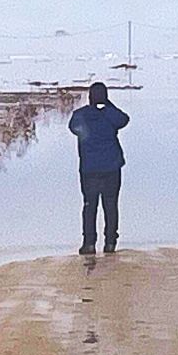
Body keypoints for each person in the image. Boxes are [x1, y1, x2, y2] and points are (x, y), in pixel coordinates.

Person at [68, 82, 130, 255]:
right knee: (111, 205)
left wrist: (93, 108)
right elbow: (124, 119)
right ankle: (110, 242)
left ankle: (89, 243)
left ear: (90, 97)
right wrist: (108, 105)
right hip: (111, 168)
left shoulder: (80, 116)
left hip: (89, 170)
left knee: (89, 206)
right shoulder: (111, 116)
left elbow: (74, 128)